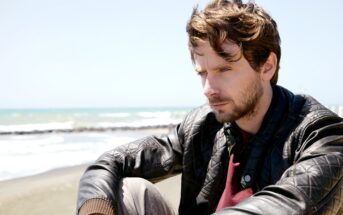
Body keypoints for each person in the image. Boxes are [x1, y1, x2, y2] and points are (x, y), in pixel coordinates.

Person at [76, 0, 343, 214]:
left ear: (267, 66)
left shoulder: (323, 133)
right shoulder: (201, 126)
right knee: (131, 191)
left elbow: (291, 205)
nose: (208, 88)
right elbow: (109, 163)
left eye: (224, 69)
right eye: (202, 73)